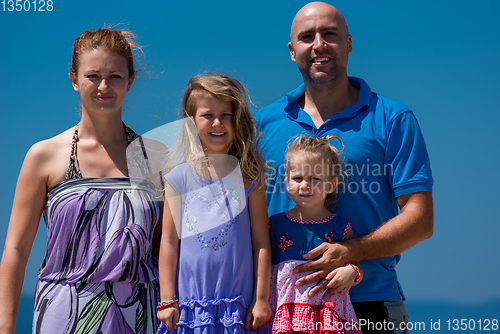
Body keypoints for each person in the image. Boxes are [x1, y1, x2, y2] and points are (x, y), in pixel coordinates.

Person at [253, 2, 434, 333]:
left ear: (349, 43)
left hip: (369, 303)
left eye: (330, 34)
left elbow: (420, 220)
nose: (319, 44)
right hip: (280, 307)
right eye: (307, 37)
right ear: (292, 51)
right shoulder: (260, 125)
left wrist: (351, 251)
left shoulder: (392, 118)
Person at [0, 28, 164, 334]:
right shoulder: (44, 155)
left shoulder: (154, 155)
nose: (104, 86)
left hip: (139, 315)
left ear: (130, 81)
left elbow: (163, 247)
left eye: (115, 76)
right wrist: (5, 327)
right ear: (74, 80)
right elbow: (16, 250)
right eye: (93, 76)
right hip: (63, 315)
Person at [156, 74, 272, 334]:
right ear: (191, 121)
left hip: (238, 310)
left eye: (226, 115)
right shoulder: (178, 179)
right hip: (188, 310)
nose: (217, 123)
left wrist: (261, 299)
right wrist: (167, 299)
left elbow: (261, 243)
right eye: (208, 115)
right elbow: (168, 242)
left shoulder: (249, 180)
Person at [269, 134, 362, 334]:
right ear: (287, 181)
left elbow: (356, 264)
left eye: (315, 179)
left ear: (331, 184)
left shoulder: (341, 227)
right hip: (283, 313)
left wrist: (352, 272)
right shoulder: (273, 224)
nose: (305, 185)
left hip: (326, 314)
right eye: (297, 178)